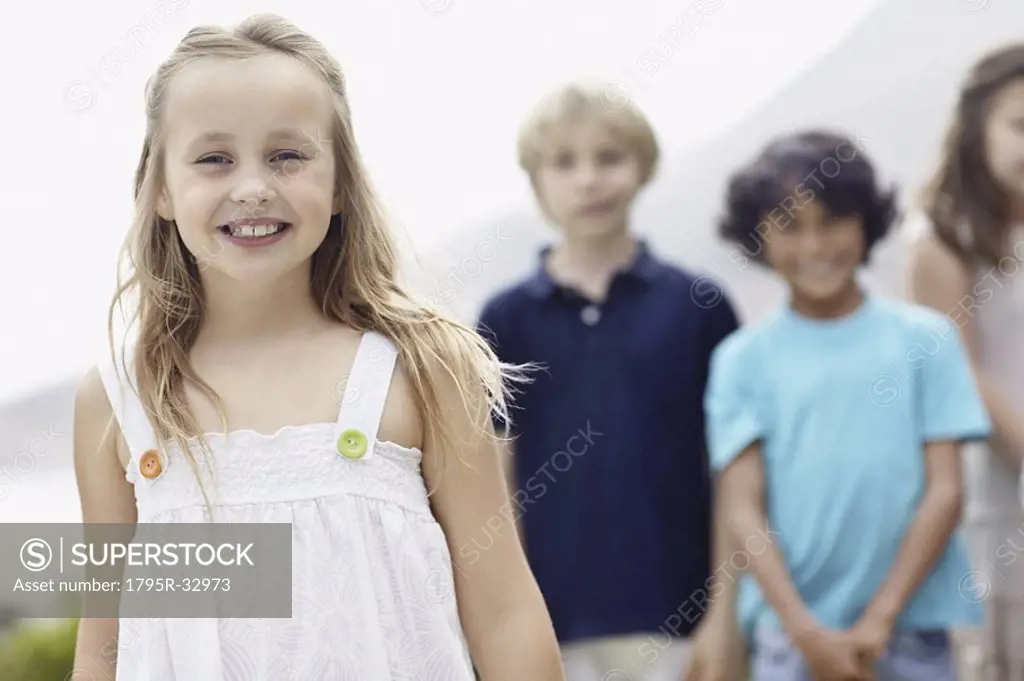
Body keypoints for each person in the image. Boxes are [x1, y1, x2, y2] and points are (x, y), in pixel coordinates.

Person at [70, 13, 564, 680]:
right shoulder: (117, 401)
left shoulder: (419, 367)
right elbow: (106, 637)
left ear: (337, 185)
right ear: (161, 188)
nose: (252, 186)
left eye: (287, 155)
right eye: (214, 158)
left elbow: (504, 611)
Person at [474, 80, 741, 681]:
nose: (588, 179)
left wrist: (724, 617)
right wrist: (505, 625)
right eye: (564, 163)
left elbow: (733, 472)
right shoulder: (505, 319)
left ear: (642, 167)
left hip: (677, 619)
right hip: (549, 625)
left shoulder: (698, 305)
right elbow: (496, 479)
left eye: (609, 158)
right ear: (536, 181)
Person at [706, 130, 990, 681]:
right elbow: (742, 507)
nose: (815, 247)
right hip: (789, 638)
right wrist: (805, 632)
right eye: (790, 226)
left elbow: (947, 491)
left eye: (833, 221)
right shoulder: (742, 360)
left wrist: (880, 618)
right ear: (758, 236)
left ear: (867, 222)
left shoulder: (924, 339)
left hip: (912, 631)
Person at [905, 42, 1024, 681]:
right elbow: (960, 367)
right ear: (977, 126)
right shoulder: (945, 238)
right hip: (993, 487)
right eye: (1021, 125)